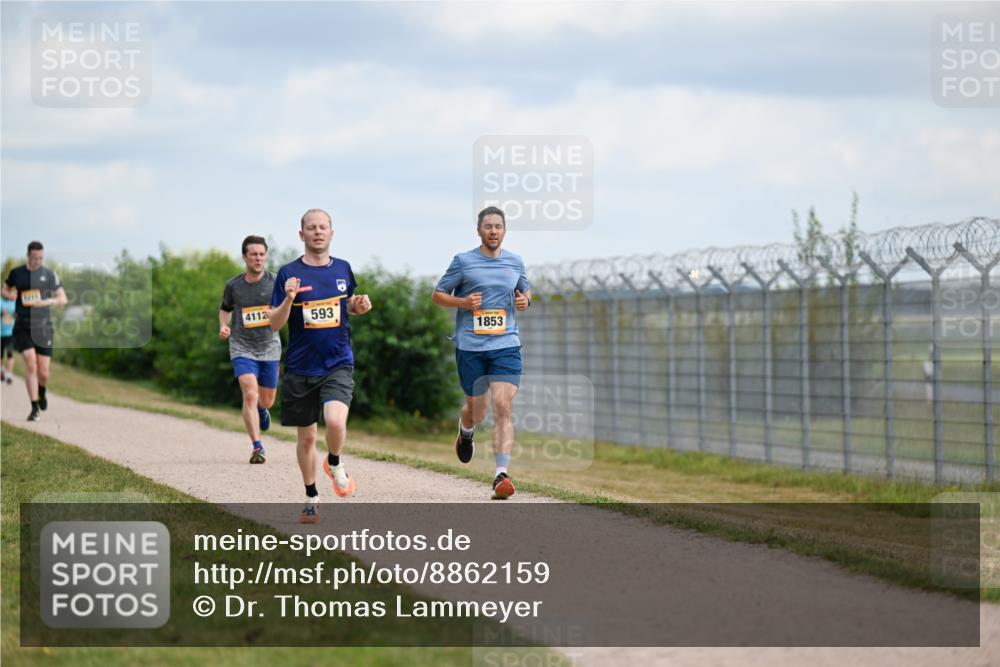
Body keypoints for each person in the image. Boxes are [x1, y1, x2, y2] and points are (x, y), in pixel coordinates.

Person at [269, 208, 372, 523]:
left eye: (323, 227)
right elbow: (273, 324)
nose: (317, 232)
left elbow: (346, 307)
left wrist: (357, 306)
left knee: (336, 422)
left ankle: (335, 462)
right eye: (311, 228)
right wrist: (288, 299)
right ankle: (311, 496)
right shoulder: (288, 273)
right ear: (301, 234)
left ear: (331, 232)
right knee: (307, 438)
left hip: (337, 362)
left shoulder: (343, 269)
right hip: (301, 367)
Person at [432, 206, 531, 499]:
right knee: (478, 409)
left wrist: (525, 301)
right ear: (479, 230)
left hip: (506, 344)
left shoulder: (515, 262)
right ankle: (466, 430)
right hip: (471, 346)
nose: (493, 231)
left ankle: (501, 474)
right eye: (488, 226)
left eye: (498, 226)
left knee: (503, 405)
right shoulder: (463, 261)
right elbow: (438, 295)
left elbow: (525, 292)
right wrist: (463, 304)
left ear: (504, 230)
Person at [219, 235, 282, 464]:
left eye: (261, 254)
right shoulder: (234, 286)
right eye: (253, 254)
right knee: (250, 394)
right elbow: (225, 309)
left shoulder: (276, 283)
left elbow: (286, 308)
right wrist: (224, 326)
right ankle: (257, 447)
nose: (258, 258)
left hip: (269, 347)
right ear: (245, 257)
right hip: (241, 346)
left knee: (266, 401)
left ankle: (262, 410)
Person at [2, 241, 67, 421]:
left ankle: (43, 391)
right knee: (31, 364)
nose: (37, 261)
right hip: (22, 326)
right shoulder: (17, 273)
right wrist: (10, 295)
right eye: (34, 257)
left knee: (43, 372)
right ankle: (34, 408)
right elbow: (5, 289)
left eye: (40, 258)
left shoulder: (50, 274)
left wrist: (47, 302)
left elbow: (63, 298)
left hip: (44, 327)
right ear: (28, 256)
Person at [1, 294, 15, 384]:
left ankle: (9, 375)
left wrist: (14, 315)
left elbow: (18, 315)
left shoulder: (14, 303)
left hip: (10, 333)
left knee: (10, 353)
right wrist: (2, 313)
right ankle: (1, 371)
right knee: (0, 354)